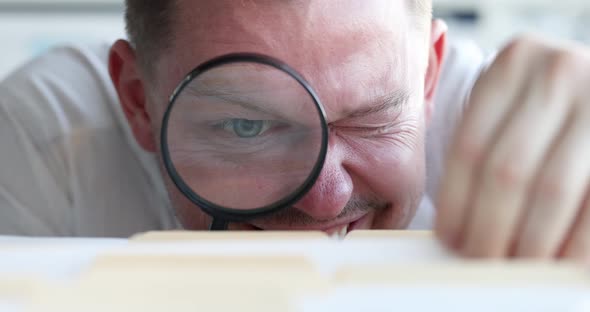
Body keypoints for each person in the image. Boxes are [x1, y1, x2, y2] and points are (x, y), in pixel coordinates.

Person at [0, 0, 588, 261]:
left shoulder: (522, 134)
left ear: (429, 76)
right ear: (139, 101)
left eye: (372, 117)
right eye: (247, 125)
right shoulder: (49, 138)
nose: (325, 199)